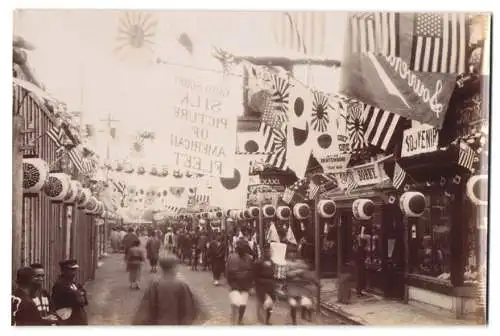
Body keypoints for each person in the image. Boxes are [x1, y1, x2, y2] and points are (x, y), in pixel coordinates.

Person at [133, 256, 207, 325]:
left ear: (161, 268)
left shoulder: (154, 284)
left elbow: (146, 307)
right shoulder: (181, 284)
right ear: (174, 267)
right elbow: (189, 307)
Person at [285, 248, 318, 325]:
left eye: (294, 253)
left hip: (301, 286)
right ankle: (294, 322)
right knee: (293, 304)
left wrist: (297, 272)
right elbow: (288, 274)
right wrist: (298, 271)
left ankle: (306, 317)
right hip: (291, 286)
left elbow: (306, 270)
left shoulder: (300, 262)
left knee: (307, 302)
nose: (293, 254)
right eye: (291, 253)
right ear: (288, 254)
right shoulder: (286, 263)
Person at [51, 260, 89, 325]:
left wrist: (78, 294)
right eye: (71, 270)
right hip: (70, 321)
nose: (74, 272)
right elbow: (78, 300)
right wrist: (79, 294)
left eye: (75, 270)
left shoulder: (75, 284)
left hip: (79, 320)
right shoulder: (60, 285)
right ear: (63, 271)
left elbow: (84, 300)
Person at [226, 239, 254, 325]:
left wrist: (251, 285)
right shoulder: (231, 257)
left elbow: (251, 272)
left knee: (243, 304)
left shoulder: (249, 258)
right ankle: (233, 321)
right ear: (237, 248)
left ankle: (240, 319)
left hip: (245, 286)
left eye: (244, 248)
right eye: (240, 248)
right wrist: (231, 283)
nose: (242, 250)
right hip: (235, 285)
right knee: (236, 303)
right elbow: (227, 272)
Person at [253, 245, 276, 325]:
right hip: (261, 287)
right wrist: (256, 287)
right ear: (263, 253)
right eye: (266, 252)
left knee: (270, 305)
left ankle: (267, 320)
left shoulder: (272, 263)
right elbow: (255, 276)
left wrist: (273, 286)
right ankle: (261, 321)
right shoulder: (258, 262)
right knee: (261, 304)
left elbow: (273, 275)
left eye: (269, 251)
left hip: (270, 286)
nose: (268, 253)